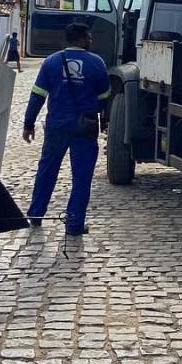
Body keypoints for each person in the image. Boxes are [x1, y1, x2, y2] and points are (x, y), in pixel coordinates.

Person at [22, 23, 110, 235]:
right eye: (88, 37)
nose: (90, 41)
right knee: (82, 176)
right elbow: (105, 97)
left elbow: (38, 95)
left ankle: (36, 214)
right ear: (81, 38)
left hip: (56, 126)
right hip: (85, 127)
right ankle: (74, 224)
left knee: (47, 170)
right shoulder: (97, 63)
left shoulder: (51, 62)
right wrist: (99, 115)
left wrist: (28, 123)